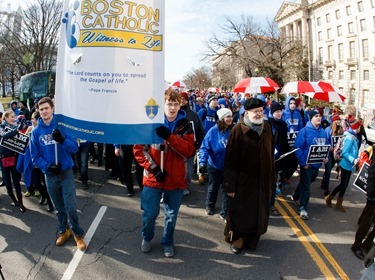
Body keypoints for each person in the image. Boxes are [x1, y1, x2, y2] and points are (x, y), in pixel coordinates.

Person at [133, 90, 195, 258]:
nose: (172, 107)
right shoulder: (151, 123)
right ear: (163, 105)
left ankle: (167, 241)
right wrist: (153, 168)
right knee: (150, 213)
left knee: (171, 216)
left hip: (175, 180)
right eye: (169, 103)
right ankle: (146, 237)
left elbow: (189, 150)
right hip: (154, 178)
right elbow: (139, 150)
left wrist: (169, 136)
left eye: (175, 104)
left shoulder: (186, 125)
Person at [30, 97, 86, 251]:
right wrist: (48, 167)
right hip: (50, 175)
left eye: (46, 108)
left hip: (66, 172)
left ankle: (78, 234)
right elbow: (34, 156)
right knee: (58, 207)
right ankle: (64, 230)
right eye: (41, 109)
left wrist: (62, 140)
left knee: (71, 206)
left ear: (53, 108)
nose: (44, 112)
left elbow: (74, 147)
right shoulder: (35, 133)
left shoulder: (62, 127)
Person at [222, 98, 275, 254]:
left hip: (263, 180)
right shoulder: (238, 130)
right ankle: (237, 239)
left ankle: (252, 238)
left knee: (259, 211)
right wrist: (229, 185)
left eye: (261, 111)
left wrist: (272, 177)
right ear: (247, 113)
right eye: (255, 112)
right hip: (243, 182)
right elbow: (230, 161)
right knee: (241, 212)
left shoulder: (267, 128)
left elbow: (271, 153)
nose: (259, 114)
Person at [292, 109, 329, 220]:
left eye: (320, 116)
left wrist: (325, 157)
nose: (319, 117)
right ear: (311, 118)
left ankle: (296, 195)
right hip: (307, 165)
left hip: (316, 164)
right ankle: (303, 208)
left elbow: (325, 146)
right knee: (307, 187)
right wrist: (303, 163)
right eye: (316, 116)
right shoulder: (304, 131)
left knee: (307, 182)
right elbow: (298, 148)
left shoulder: (322, 132)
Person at [199, 107, 234, 220]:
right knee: (213, 188)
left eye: (231, 116)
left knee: (226, 190)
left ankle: (224, 212)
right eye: (228, 116)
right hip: (214, 165)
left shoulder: (234, 130)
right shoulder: (213, 131)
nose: (230, 118)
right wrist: (202, 163)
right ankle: (210, 206)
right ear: (222, 118)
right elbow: (204, 148)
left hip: (228, 167)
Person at [324, 116, 360, 212]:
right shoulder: (350, 137)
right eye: (359, 126)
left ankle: (339, 203)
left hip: (349, 165)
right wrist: (354, 160)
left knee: (345, 185)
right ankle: (329, 197)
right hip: (345, 164)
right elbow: (345, 153)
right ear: (355, 127)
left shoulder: (353, 136)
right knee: (343, 184)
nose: (360, 128)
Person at [0, 110, 27, 212]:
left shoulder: (16, 127)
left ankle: (21, 203)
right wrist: (17, 130)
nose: (14, 118)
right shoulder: (1, 127)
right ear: (5, 118)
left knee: (16, 182)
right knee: (7, 183)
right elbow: (4, 135)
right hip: (3, 159)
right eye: (11, 116)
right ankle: (14, 200)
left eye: (14, 116)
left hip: (14, 157)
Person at [179, 91, 204, 196]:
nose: (182, 101)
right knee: (178, 169)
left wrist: (198, 145)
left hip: (190, 147)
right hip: (177, 146)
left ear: (187, 101)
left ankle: (186, 186)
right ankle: (178, 186)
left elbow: (200, 130)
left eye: (184, 99)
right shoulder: (175, 113)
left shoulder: (194, 115)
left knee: (188, 170)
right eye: (180, 99)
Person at [351, 153, 375, 260]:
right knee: (367, 221)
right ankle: (357, 245)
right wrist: (371, 193)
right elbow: (372, 171)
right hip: (374, 195)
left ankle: (367, 244)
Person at [268, 101, 290, 216]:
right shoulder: (267, 123)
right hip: (268, 157)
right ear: (272, 112)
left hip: (278, 158)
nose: (279, 113)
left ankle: (271, 204)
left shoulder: (283, 125)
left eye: (280, 111)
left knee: (273, 183)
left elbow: (284, 142)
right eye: (276, 111)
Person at [320, 114, 343, 197]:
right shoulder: (328, 129)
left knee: (328, 171)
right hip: (329, 154)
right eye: (336, 120)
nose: (338, 122)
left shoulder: (341, 130)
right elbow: (325, 141)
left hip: (336, 154)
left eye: (339, 120)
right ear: (333, 121)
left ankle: (323, 183)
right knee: (328, 170)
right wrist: (330, 147)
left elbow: (341, 140)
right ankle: (326, 188)